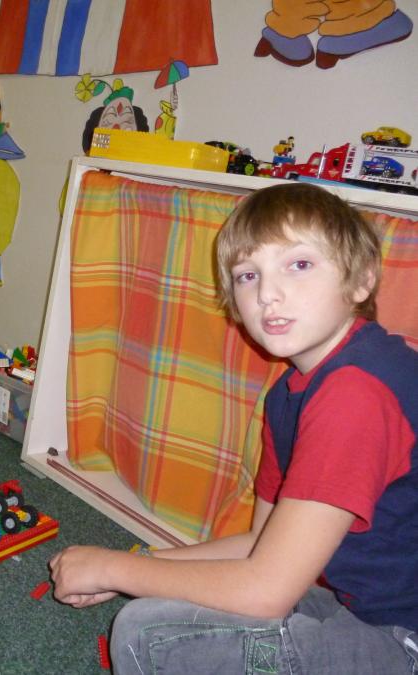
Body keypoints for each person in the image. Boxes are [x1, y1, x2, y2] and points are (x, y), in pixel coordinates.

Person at [49, 182, 417, 674]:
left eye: (299, 264)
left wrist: (115, 568)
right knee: (166, 608)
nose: (267, 294)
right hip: (362, 607)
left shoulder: (356, 392)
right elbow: (259, 545)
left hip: (403, 637)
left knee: (150, 636)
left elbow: (266, 589)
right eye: (248, 275)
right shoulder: (290, 394)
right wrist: (136, 564)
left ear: (361, 280)